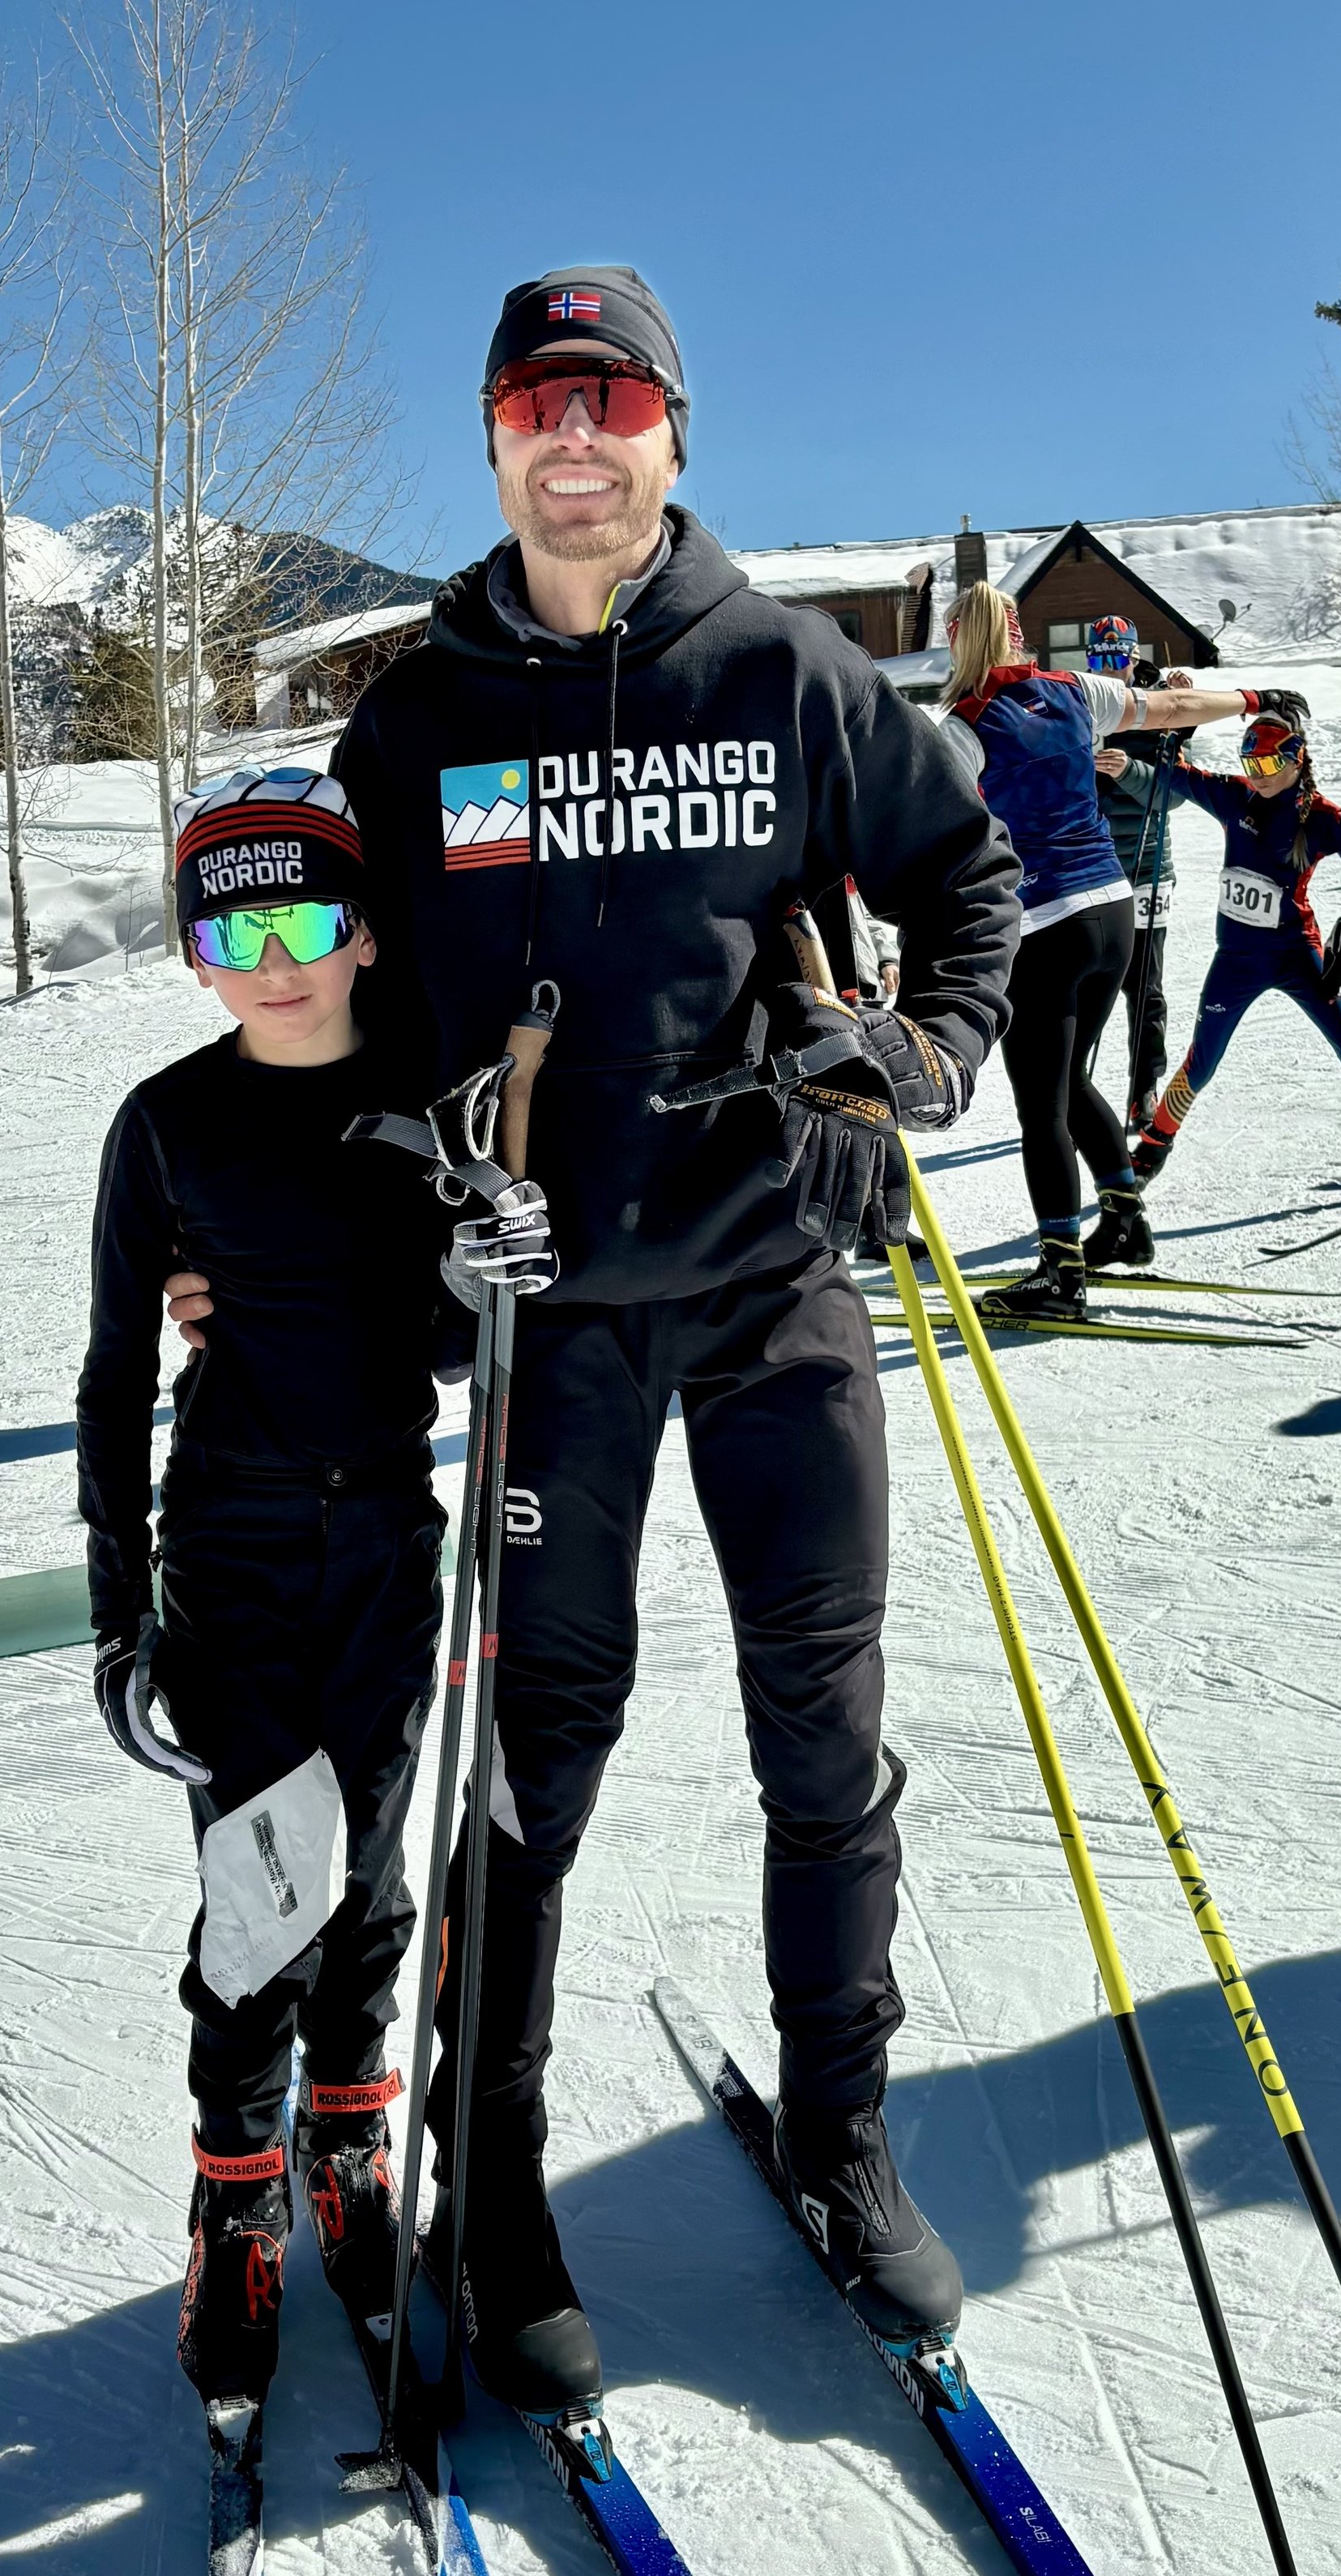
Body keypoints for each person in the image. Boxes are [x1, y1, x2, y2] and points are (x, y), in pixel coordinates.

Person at [334, 261, 1026, 2419]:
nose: (575, 436)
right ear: (489, 437)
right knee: (537, 1764)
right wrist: (398, 1153)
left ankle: (837, 2130)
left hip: (771, 1292)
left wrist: (918, 1056)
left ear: (672, 433)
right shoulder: (414, 716)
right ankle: (499, 2171)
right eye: (537, 399)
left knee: (823, 1736)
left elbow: (970, 881)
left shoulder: (786, 675)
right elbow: (336, 1023)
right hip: (550, 1323)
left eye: (611, 402)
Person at [75, 768, 451, 2407]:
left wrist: (500, 1256)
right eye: (232, 926)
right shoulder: (167, 1121)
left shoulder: (440, 1096)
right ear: (193, 952)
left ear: (362, 930)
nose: (273, 957)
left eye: (306, 916)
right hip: (226, 1548)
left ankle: (346, 2147)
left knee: (364, 1873)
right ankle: (233, 2198)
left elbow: (446, 1335)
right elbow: (106, 1375)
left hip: (385, 1536)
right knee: (259, 1887)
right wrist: (116, 1606)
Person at [936, 583, 1309, 1315]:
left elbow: (929, 824)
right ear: (1018, 635)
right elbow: (1169, 709)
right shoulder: (1074, 690)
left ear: (957, 641)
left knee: (1040, 1105)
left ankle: (1060, 1272)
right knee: (1071, 1080)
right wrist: (1254, 696)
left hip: (1045, 923)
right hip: (1113, 911)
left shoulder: (962, 725)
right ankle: (1126, 1222)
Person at [1130, 711, 1341, 1194]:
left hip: (1294, 953)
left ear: (1295, 759)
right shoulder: (1234, 795)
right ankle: (1153, 1148)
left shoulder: (1320, 815)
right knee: (1200, 1062)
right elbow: (1172, 774)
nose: (1257, 777)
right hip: (1236, 959)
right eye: (1250, 764)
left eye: (1267, 767)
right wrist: (1171, 739)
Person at [1086, 615, 1189, 1130]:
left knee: (1144, 987)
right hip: (1093, 871)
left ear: (1134, 657)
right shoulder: (1078, 708)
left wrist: (1127, 769)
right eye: (1099, 659)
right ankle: (1073, 1086)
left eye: (1118, 658)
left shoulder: (1161, 709)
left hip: (1148, 868)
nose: (1110, 669)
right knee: (1085, 983)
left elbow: (1174, 795)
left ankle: (1143, 1087)